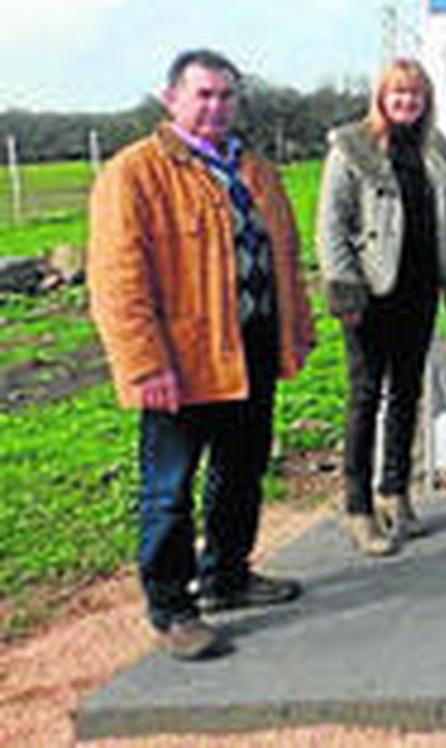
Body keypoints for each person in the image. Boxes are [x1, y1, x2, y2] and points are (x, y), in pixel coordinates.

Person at [87, 49, 316, 661]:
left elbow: (284, 259)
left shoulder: (256, 170)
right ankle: (173, 609)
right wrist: (144, 363)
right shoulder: (135, 172)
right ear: (172, 99)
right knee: (170, 487)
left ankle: (227, 576)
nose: (216, 106)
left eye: (226, 95)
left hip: (252, 349)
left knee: (241, 471)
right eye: (203, 95)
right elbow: (116, 281)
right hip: (182, 361)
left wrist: (295, 329)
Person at [317, 59, 446, 556]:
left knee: (407, 392)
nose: (407, 103)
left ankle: (395, 492)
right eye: (398, 95)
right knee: (366, 394)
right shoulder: (352, 148)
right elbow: (331, 224)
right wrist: (345, 289)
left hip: (420, 289)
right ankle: (358, 508)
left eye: (416, 96)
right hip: (372, 292)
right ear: (381, 98)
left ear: (426, 101)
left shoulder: (438, 155)